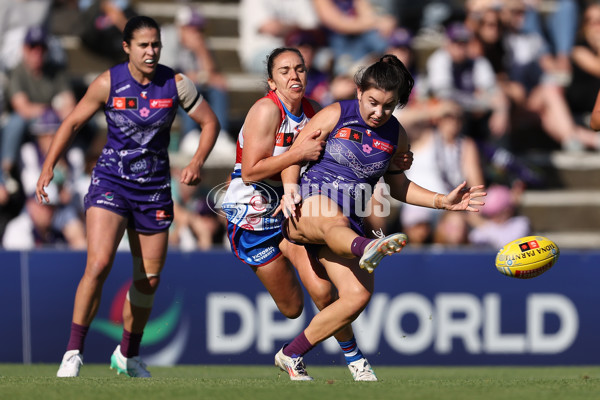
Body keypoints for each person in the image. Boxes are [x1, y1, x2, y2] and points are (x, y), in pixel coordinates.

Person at [277, 54, 485, 380]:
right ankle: (366, 248)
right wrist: (290, 188)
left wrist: (441, 201)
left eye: (388, 106)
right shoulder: (335, 114)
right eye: (373, 102)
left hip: (349, 223)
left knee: (357, 296)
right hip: (308, 208)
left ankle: (292, 354)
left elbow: (398, 186)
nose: (378, 112)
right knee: (333, 221)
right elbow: (295, 153)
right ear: (359, 91)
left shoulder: (396, 136)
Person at [35, 16, 220, 378]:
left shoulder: (176, 83)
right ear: (126, 47)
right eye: (143, 45)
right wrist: (48, 166)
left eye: (156, 45)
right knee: (99, 264)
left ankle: (127, 355)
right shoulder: (108, 82)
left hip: (154, 190)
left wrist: (197, 160)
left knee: (149, 279)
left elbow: (210, 122)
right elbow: (71, 123)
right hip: (111, 183)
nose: (151, 51)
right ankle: (73, 352)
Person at [221, 47, 409, 381]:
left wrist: (395, 161)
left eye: (300, 69)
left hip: (295, 210)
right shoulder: (267, 110)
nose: (294, 76)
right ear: (271, 81)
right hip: (254, 216)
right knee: (292, 308)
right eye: (284, 71)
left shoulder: (316, 111)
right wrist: (299, 153)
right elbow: (250, 172)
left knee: (324, 292)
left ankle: (353, 360)